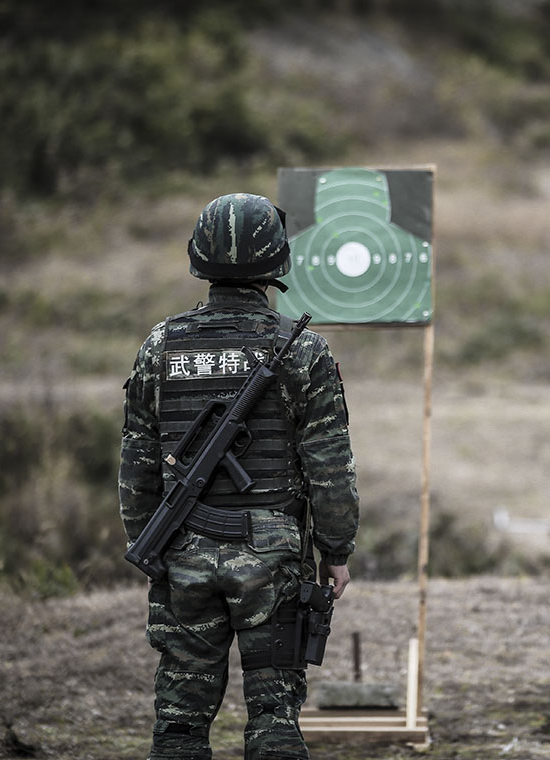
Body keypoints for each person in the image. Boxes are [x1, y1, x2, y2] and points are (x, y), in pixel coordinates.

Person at [119, 193, 359, 760]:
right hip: (272, 558)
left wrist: (148, 545)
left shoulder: (162, 346)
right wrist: (336, 551)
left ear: (199, 255)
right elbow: (329, 467)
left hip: (181, 550)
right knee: (275, 720)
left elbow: (136, 467)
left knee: (179, 724)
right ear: (276, 261)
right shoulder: (304, 352)